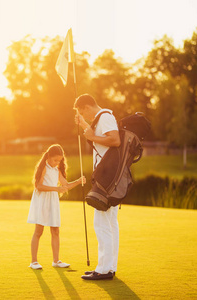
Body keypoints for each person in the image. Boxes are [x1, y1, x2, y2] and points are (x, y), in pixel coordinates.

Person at [74, 94, 121, 280]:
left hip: (107, 178)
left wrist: (91, 135)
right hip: (109, 177)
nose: (82, 114)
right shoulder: (103, 118)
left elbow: (115, 140)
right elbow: (100, 138)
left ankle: (104, 270)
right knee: (109, 222)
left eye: (81, 111)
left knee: (101, 223)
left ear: (86, 106)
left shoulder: (106, 117)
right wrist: (86, 127)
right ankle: (108, 267)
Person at [28, 144, 85, 270]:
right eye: (55, 160)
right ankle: (34, 262)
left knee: (55, 231)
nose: (56, 163)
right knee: (39, 231)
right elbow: (39, 186)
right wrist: (56, 189)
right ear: (48, 156)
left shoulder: (56, 170)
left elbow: (65, 185)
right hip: (42, 201)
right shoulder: (43, 167)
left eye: (59, 161)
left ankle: (56, 260)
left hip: (53, 201)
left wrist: (78, 181)